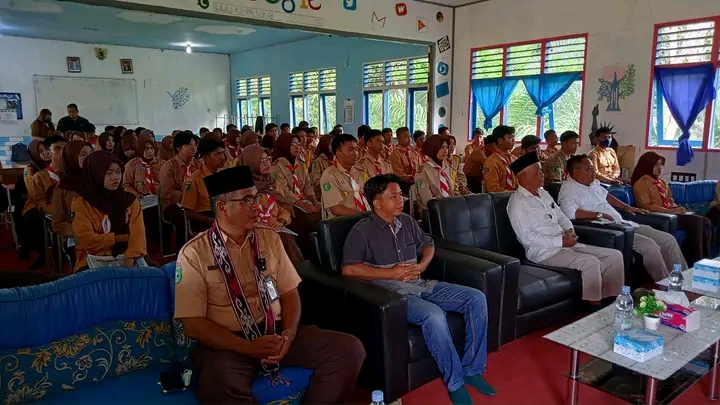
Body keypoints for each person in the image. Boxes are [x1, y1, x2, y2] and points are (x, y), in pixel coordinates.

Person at [174, 165, 364, 404]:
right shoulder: (194, 253)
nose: (257, 206)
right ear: (223, 207)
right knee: (220, 386)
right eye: (247, 200)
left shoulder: (269, 237)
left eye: (256, 198)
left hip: (274, 331)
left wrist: (289, 334)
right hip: (227, 344)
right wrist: (248, 348)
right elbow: (192, 325)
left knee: (349, 349)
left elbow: (289, 292)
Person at [342, 174, 495, 405]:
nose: (400, 199)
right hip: (392, 293)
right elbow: (349, 270)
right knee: (433, 315)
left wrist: (423, 264)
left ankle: (473, 369)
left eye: (400, 194)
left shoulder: (407, 221)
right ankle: (455, 382)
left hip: (422, 284)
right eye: (392, 196)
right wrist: (391, 273)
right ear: (377, 203)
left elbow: (428, 244)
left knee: (476, 298)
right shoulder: (362, 231)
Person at [507, 152, 624, 310]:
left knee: (614, 256)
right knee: (591, 263)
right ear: (524, 177)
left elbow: (561, 216)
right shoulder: (517, 203)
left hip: (565, 244)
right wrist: (560, 241)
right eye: (538, 173)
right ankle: (594, 307)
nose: (543, 175)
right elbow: (526, 238)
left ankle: (611, 301)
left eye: (541, 171)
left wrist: (569, 229)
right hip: (544, 252)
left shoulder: (544, 193)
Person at [558, 154, 687, 281]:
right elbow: (570, 213)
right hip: (610, 229)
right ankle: (664, 285)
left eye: (593, 169)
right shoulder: (568, 189)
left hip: (623, 222)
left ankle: (684, 278)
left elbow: (607, 196)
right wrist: (599, 215)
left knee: (668, 240)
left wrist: (626, 207)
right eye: (589, 169)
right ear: (575, 171)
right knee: (650, 246)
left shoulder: (593, 183)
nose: (593, 172)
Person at [631, 152, 712, 265]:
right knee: (696, 222)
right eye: (656, 165)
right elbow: (646, 206)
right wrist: (670, 211)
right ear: (647, 165)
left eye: (661, 165)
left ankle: (706, 261)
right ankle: (695, 262)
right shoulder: (641, 184)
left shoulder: (662, 182)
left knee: (705, 221)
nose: (660, 168)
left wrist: (678, 208)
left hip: (672, 213)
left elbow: (670, 200)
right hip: (660, 217)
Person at [71, 151, 146, 272]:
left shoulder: (129, 200)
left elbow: (138, 236)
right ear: (95, 175)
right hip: (93, 256)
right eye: (109, 173)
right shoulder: (81, 203)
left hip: (128, 253)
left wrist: (129, 260)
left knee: (152, 277)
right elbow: (87, 240)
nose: (116, 177)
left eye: (118, 172)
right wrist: (120, 238)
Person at [242, 145, 304, 262]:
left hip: (276, 226)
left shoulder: (272, 182)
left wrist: (281, 221)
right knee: (284, 240)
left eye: (268, 160)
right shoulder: (243, 188)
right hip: (255, 229)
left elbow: (284, 208)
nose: (266, 164)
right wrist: (263, 224)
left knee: (293, 235)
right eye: (261, 161)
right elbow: (243, 215)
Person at [270, 133, 321, 241]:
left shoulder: (301, 164)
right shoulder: (276, 167)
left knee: (322, 216)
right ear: (284, 145)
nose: (297, 146)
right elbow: (284, 192)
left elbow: (307, 184)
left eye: (298, 144)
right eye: (293, 144)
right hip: (288, 205)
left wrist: (313, 199)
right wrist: (302, 205)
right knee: (307, 224)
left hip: (304, 202)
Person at [52, 140, 92, 268]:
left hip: (102, 234)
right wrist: (82, 232)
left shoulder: (98, 179)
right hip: (76, 236)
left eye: (91, 154)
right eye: (83, 154)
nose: (88, 158)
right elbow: (58, 223)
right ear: (72, 158)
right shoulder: (62, 187)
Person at [159, 131, 200, 250]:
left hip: (195, 203)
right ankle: (181, 254)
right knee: (183, 220)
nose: (193, 148)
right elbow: (168, 193)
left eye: (195, 145)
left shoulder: (198, 165)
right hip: (172, 205)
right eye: (189, 145)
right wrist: (189, 196)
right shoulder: (169, 167)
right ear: (179, 148)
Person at [182, 137, 227, 232]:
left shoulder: (224, 174)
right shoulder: (194, 180)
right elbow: (188, 212)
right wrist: (211, 221)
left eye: (223, 153)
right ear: (206, 157)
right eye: (218, 154)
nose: (222, 157)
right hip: (205, 221)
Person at [320, 133, 370, 218]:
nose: (356, 153)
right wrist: (364, 216)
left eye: (356, 149)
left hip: (365, 219)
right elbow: (336, 209)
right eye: (351, 150)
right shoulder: (329, 175)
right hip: (344, 222)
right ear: (338, 153)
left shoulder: (360, 170)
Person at [416, 135, 468, 210]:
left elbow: (455, 189)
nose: (445, 150)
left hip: (452, 207)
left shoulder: (448, 167)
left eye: (446, 147)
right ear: (432, 149)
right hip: (435, 211)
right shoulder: (423, 171)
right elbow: (427, 200)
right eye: (441, 147)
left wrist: (457, 202)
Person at [483, 126, 518, 192]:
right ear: (500, 141)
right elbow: (493, 189)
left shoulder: (514, 158)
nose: (513, 140)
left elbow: (519, 181)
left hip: (516, 197)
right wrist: (511, 193)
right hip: (500, 199)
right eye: (510, 137)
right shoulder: (491, 161)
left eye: (513, 137)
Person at [309, 135, 334, 199]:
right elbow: (317, 182)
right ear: (324, 145)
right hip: (322, 195)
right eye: (331, 144)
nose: (333, 146)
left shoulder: (334, 159)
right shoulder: (318, 161)